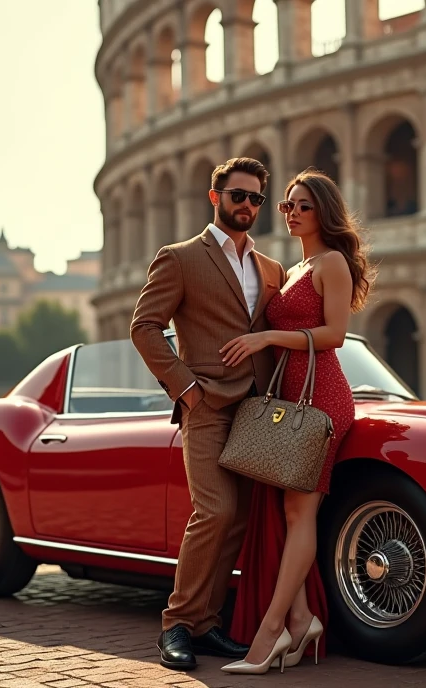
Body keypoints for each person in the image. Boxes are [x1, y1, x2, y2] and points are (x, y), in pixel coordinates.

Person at [130, 157, 287, 671]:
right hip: (207, 406)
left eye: (256, 198)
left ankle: (207, 624)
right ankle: (175, 625)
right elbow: (145, 326)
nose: (247, 205)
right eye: (237, 195)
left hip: (257, 409)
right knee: (214, 510)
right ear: (214, 195)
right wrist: (186, 388)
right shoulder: (179, 259)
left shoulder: (270, 269)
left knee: (239, 519)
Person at [217, 169, 376, 674]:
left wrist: (266, 339)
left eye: (301, 205)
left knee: (299, 514)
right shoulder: (292, 267)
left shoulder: (331, 263)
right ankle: (303, 618)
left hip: (322, 395)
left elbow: (333, 335)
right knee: (290, 513)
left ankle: (270, 633)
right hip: (289, 396)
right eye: (285, 205)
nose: (290, 213)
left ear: (323, 211)